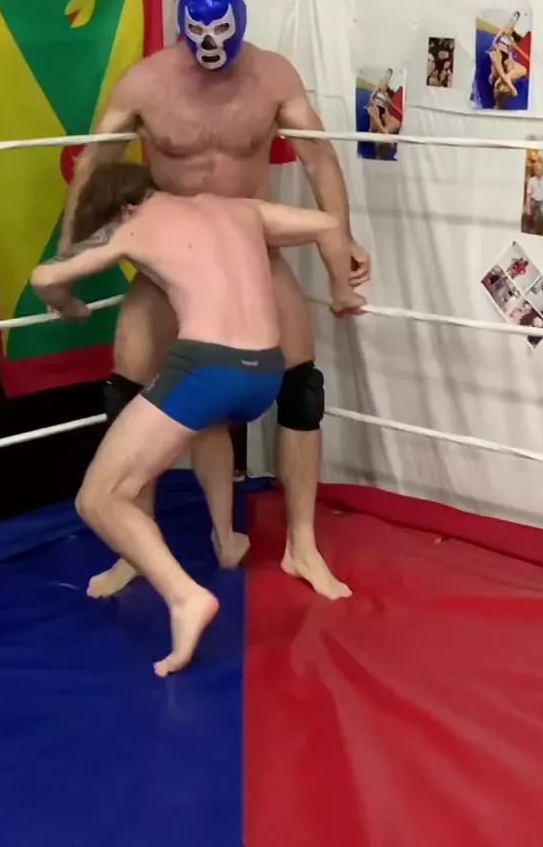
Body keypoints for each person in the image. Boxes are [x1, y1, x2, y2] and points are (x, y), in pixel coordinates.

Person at [58, 0, 371, 603]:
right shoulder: (146, 82)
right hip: (168, 256)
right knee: (127, 384)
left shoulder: (272, 76)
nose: (210, 47)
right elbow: (95, 162)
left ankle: (302, 544)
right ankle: (134, 548)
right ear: (183, 28)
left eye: (221, 34)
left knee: (301, 385)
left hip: (249, 246)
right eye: (199, 35)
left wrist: (343, 240)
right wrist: (71, 246)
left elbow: (318, 158)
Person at [31, 163, 366, 676]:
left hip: (208, 369)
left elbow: (45, 277)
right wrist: (343, 287)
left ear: (124, 208)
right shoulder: (239, 209)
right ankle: (227, 539)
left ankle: (184, 596)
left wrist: (71, 307)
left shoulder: (135, 225)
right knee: (205, 420)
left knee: (97, 498)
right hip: (266, 372)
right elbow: (326, 224)